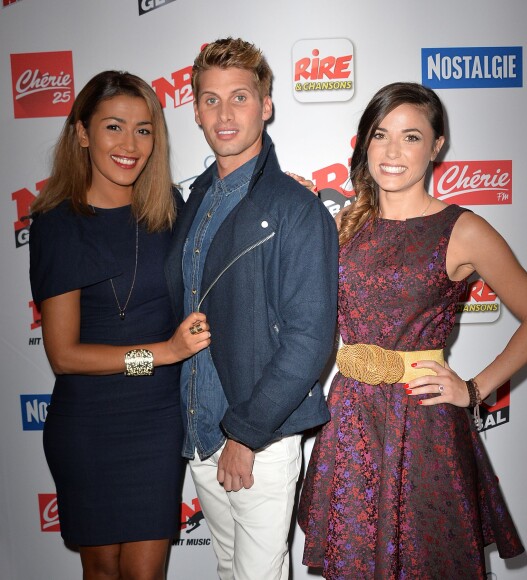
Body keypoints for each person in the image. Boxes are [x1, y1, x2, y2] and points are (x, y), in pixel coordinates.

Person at [297, 82, 527, 579]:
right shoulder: (343, 226)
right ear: (364, 143)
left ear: (437, 145)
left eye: (411, 136)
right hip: (350, 420)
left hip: (422, 427)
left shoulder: (463, 229)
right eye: (380, 134)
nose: (393, 152)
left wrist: (475, 389)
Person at [164, 38, 338, 580]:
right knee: (225, 570)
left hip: (256, 439)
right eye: (210, 100)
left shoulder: (296, 209)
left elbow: (310, 340)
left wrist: (246, 435)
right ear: (194, 110)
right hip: (200, 435)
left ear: (266, 105)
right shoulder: (191, 200)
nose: (224, 113)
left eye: (239, 97)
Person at [29, 70, 211, 580]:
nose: (130, 144)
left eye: (144, 129)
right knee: (102, 572)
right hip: (87, 422)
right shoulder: (58, 223)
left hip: (156, 420)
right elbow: (64, 355)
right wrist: (164, 353)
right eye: (114, 127)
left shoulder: (173, 212)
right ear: (83, 133)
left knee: (145, 574)